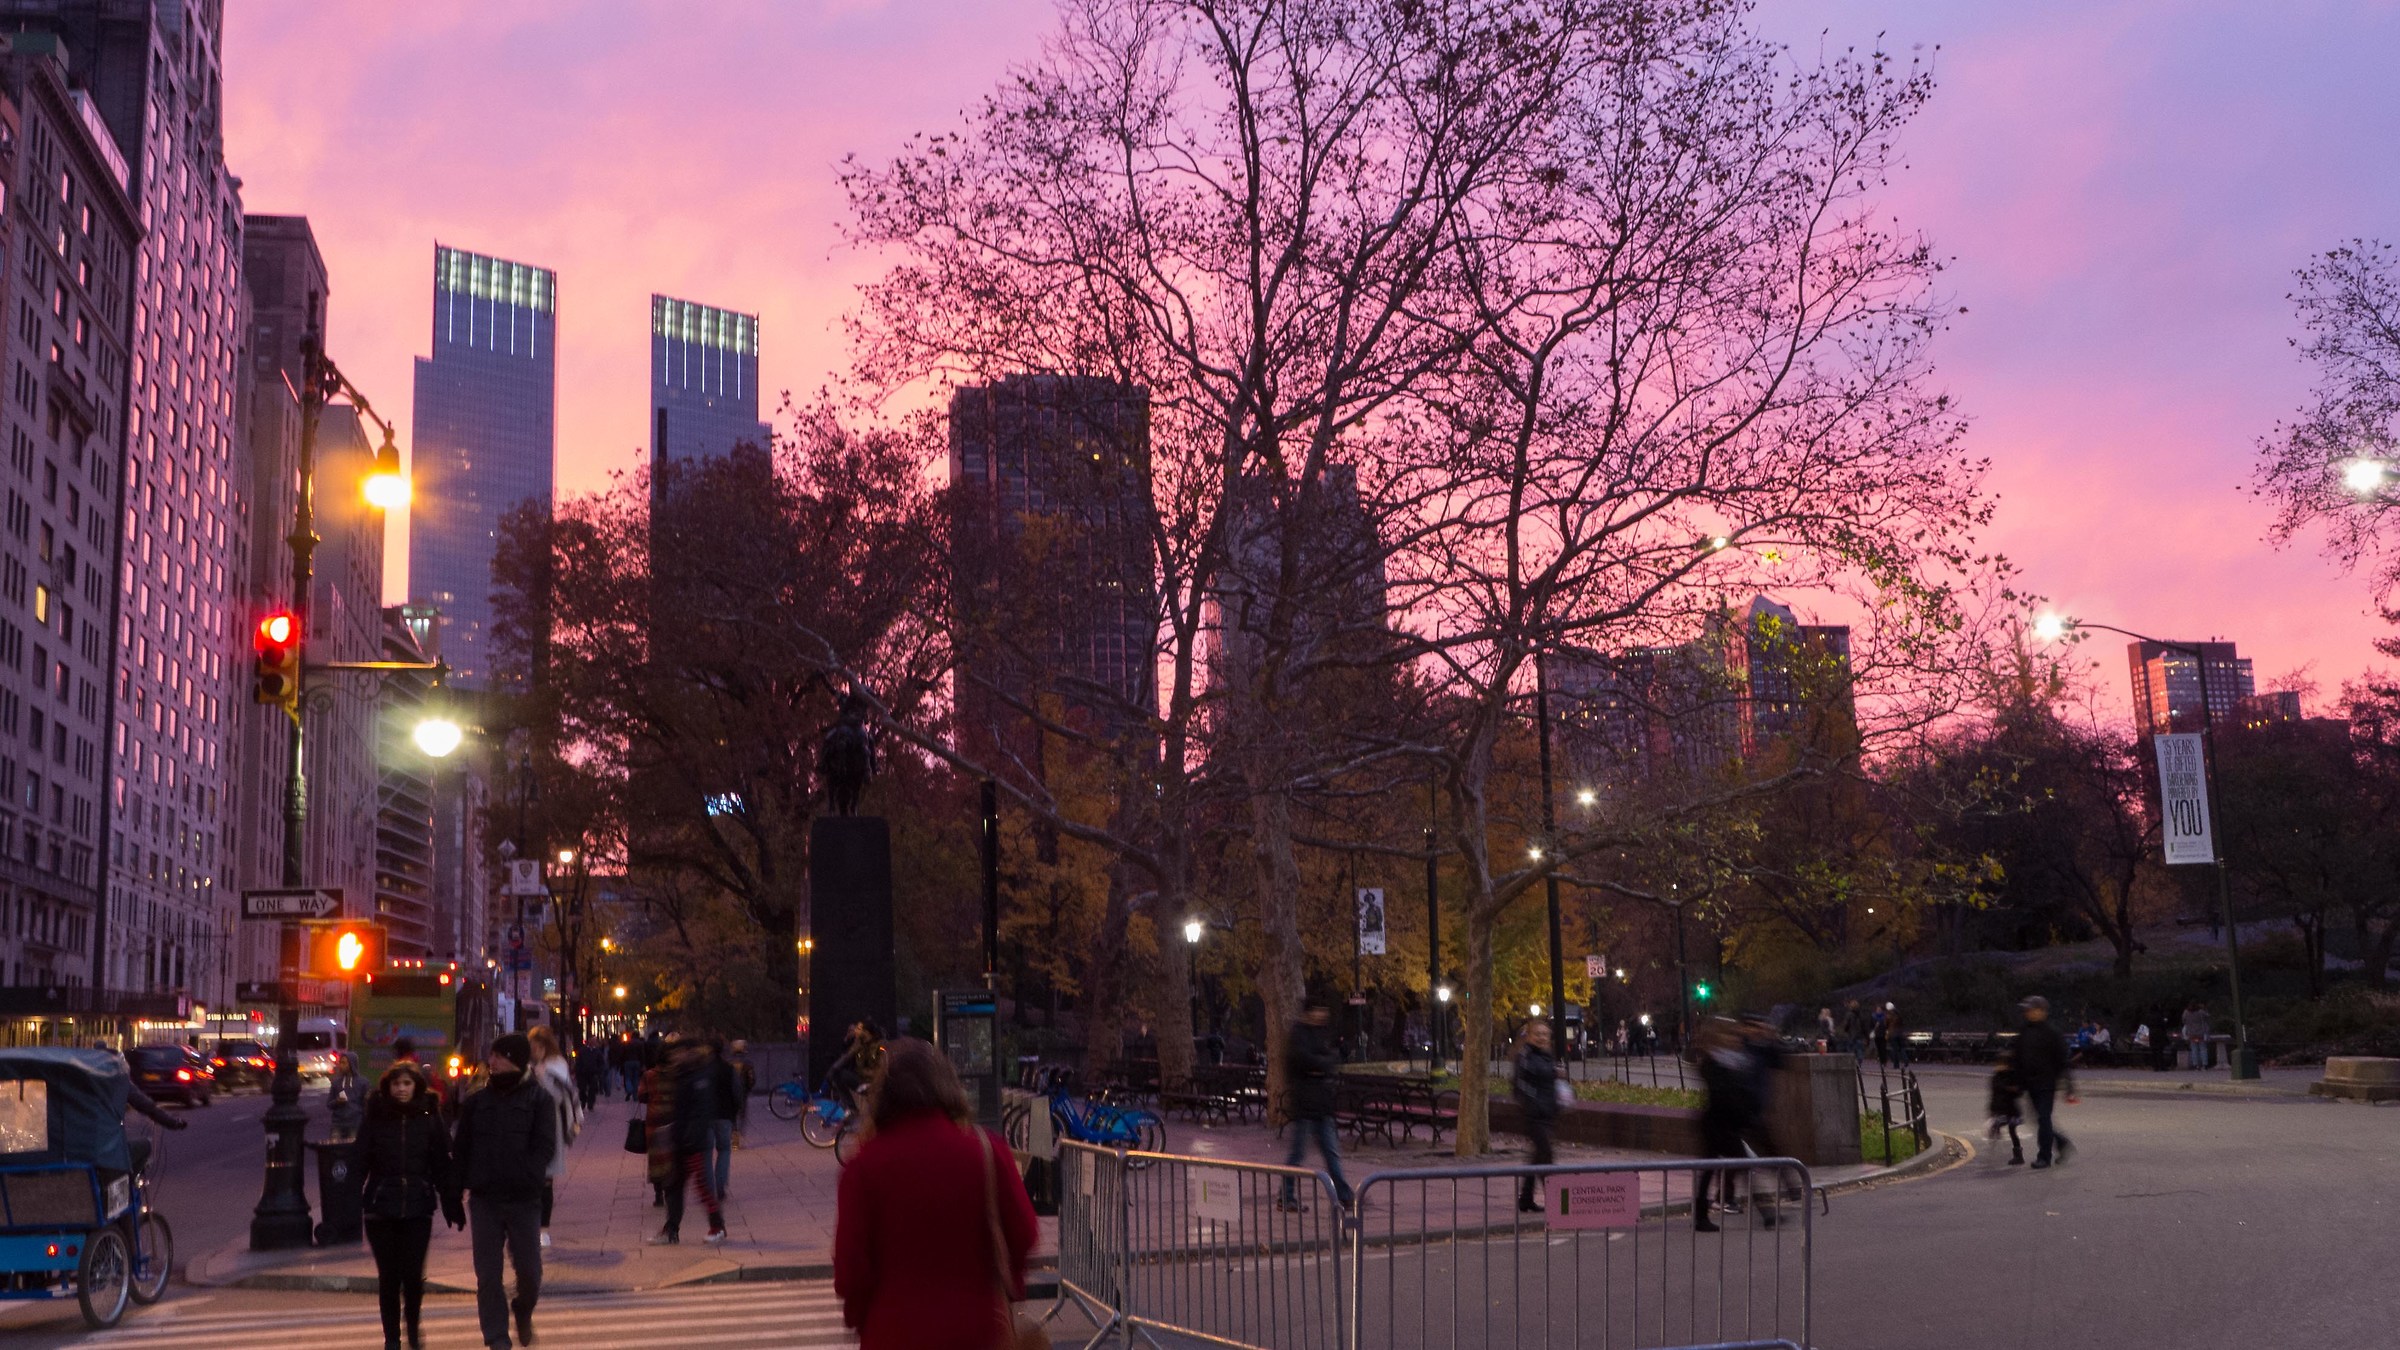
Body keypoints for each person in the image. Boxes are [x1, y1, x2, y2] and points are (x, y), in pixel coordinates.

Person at [834, 1039, 1037, 1350]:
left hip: (894, 1333)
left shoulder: (863, 1168)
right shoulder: (987, 1152)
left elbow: (850, 1271)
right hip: (977, 1332)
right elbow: (1023, 1234)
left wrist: (862, 1318)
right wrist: (1005, 1287)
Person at [452, 1033, 557, 1350]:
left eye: (497, 1056)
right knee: (487, 1276)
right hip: (485, 1200)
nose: (491, 1061)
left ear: (514, 1058)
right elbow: (461, 1151)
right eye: (491, 1055)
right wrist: (454, 1195)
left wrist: (529, 1176)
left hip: (523, 1200)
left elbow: (544, 1147)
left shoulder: (539, 1100)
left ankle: (523, 1310)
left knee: (529, 1272)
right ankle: (497, 1339)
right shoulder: (476, 1103)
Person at [358, 1062, 463, 1350]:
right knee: (389, 1277)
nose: (401, 1089)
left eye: (406, 1084)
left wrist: (452, 1202)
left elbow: (442, 1163)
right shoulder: (376, 1118)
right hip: (381, 1208)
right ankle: (392, 1339)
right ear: (388, 1088)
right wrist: (352, 1198)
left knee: (413, 1276)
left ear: (416, 1086)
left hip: (418, 1206)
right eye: (396, 1084)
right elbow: (360, 1160)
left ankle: (413, 1331)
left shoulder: (429, 1118)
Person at [1692, 1019, 1772, 1231]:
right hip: (1717, 1125)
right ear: (1720, 1038)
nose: (1736, 1039)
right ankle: (1767, 1214)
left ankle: (1701, 1216)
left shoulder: (1727, 1061)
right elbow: (1723, 1094)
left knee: (1714, 1169)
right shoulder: (1712, 1063)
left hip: (1724, 1123)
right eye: (1731, 1035)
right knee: (1729, 1167)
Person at [649, 1040, 727, 1245]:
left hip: (693, 1143)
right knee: (674, 1186)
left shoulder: (699, 1076)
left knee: (701, 1187)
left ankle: (717, 1227)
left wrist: (691, 1136)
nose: (674, 1056)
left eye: (678, 1052)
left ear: (688, 1052)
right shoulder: (684, 1074)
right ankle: (671, 1230)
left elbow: (702, 1112)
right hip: (681, 1140)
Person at [1277, 1006, 1352, 1212]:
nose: (1323, 1015)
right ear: (1310, 1012)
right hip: (1306, 1105)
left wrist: (1324, 1063)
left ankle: (1344, 1195)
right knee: (1297, 1154)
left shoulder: (1321, 1033)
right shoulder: (1299, 1034)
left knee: (1331, 1152)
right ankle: (1286, 1195)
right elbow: (1305, 1061)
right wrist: (1321, 1064)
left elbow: (1327, 1061)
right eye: (1319, 1010)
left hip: (1322, 1105)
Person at [526, 1026, 583, 1251]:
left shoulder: (556, 1066)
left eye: (537, 1047)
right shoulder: (529, 1066)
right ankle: (532, 1226)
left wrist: (542, 1078)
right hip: (529, 1129)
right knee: (532, 1182)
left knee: (546, 1182)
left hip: (551, 1128)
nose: (534, 1051)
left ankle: (544, 1230)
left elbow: (559, 1097)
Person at [2007, 996, 2076, 1169]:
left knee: (2044, 1118)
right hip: (2030, 1083)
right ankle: (2061, 1143)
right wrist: (2016, 1082)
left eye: (2031, 1009)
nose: (2027, 1012)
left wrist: (2069, 1086)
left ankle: (2044, 1156)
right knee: (2040, 1119)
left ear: (2041, 1011)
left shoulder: (2051, 1033)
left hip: (2046, 1083)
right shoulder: (2025, 1031)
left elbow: (2062, 1061)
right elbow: (2017, 1058)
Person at [1510, 1021, 1561, 1213]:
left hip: (1548, 1114)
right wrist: (1534, 1102)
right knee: (1546, 1155)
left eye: (1545, 1034)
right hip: (1533, 1115)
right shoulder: (1525, 1056)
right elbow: (1519, 1085)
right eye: (1538, 1033)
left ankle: (1526, 1199)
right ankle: (1556, 1200)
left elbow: (1549, 1082)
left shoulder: (1546, 1056)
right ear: (1529, 1035)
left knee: (1537, 1157)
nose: (1542, 1037)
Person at [704, 1038, 741, 1203]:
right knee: (724, 1150)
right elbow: (737, 1092)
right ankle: (720, 1186)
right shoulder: (728, 1069)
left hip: (706, 1116)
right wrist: (735, 1112)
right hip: (725, 1115)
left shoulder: (702, 1070)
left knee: (706, 1153)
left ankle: (709, 1189)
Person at [1985, 1063, 2026, 1166]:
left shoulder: (2012, 1075)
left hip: (2011, 1110)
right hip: (2002, 1110)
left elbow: (2019, 1091)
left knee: (2012, 1130)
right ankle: (1994, 1148)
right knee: (1996, 1126)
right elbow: (1995, 1094)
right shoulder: (1997, 1077)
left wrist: (2013, 1089)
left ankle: (2018, 1156)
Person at [727, 1039, 757, 1148]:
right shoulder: (748, 1063)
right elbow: (752, 1079)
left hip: (730, 1091)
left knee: (732, 1114)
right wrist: (748, 1089)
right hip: (743, 1091)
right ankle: (738, 1136)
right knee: (742, 1113)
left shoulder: (728, 1062)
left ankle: (733, 1134)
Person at [2182, 1001, 2212, 1070]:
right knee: (2203, 1049)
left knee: (2194, 1049)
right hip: (2201, 1032)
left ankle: (2196, 1065)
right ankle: (2205, 1064)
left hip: (2191, 1033)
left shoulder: (2186, 1013)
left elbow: (2183, 1020)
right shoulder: (2201, 1012)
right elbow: (2207, 1016)